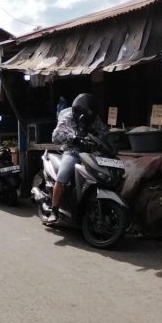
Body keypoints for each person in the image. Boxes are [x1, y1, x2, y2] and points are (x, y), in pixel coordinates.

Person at [46, 93, 109, 225]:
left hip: (91, 153)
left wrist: (110, 140)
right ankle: (54, 210)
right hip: (72, 151)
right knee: (63, 176)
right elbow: (56, 136)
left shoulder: (93, 117)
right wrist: (74, 138)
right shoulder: (67, 116)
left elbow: (104, 132)